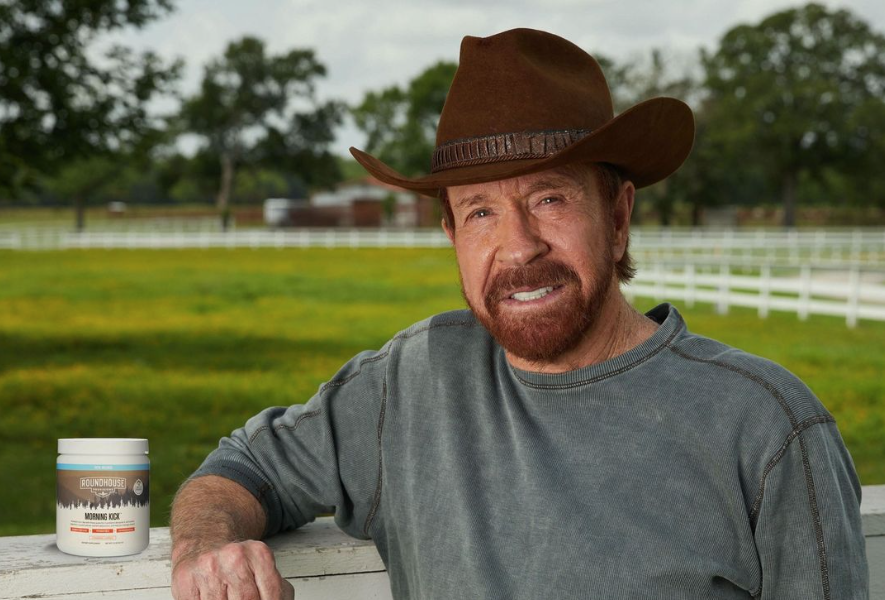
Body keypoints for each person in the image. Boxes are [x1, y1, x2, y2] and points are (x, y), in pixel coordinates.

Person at [170, 28, 868, 600]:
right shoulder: (408, 385)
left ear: (617, 218)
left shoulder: (765, 426)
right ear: (451, 235)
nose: (518, 246)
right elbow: (243, 468)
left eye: (549, 198)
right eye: (480, 212)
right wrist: (205, 550)